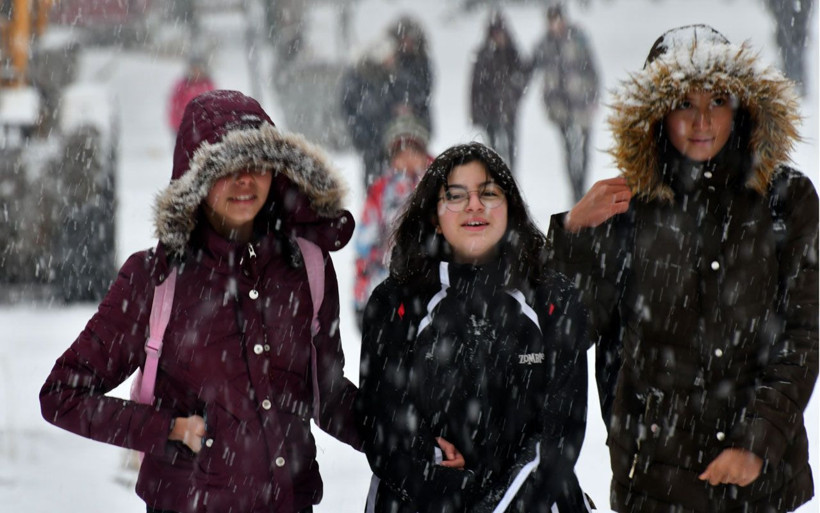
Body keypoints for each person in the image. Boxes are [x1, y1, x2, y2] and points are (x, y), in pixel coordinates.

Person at [40, 90, 362, 513]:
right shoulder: (155, 278)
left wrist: (411, 446)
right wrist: (167, 429)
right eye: (227, 167)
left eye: (258, 163)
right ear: (195, 179)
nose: (245, 180)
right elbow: (62, 393)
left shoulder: (306, 266)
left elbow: (330, 398)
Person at [546, 25, 818, 512]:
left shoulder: (785, 199)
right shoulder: (626, 207)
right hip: (653, 482)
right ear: (656, 113)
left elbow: (804, 333)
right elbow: (566, 332)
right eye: (683, 103)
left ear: (742, 105)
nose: (702, 121)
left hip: (762, 485)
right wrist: (573, 234)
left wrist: (758, 440)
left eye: (718, 100)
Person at [357, 142, 592, 512]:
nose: (474, 205)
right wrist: (437, 474)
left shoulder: (553, 300)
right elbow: (383, 431)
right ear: (434, 216)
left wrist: (497, 505)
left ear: (510, 209)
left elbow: (558, 438)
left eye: (489, 193)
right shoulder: (394, 304)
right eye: (455, 195)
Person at [353, 113, 433, 331]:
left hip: (434, 283)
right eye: (400, 152)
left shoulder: (442, 183)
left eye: (413, 151)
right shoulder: (381, 190)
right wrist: (361, 295)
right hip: (391, 284)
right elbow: (365, 246)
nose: (407, 159)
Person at [531, 4, 599, 203]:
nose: (555, 24)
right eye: (551, 21)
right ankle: (575, 192)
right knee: (569, 149)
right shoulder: (544, 44)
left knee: (584, 148)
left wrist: (593, 96)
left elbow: (592, 68)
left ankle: (582, 187)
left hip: (581, 102)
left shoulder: (578, 38)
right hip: (560, 107)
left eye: (558, 19)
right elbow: (533, 69)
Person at [470, 11, 531, 173]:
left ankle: (511, 176)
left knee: (511, 148)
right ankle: (497, 175)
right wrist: (476, 113)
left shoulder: (512, 52)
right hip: (489, 110)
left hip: (509, 110)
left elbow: (524, 75)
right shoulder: (483, 55)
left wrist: (515, 94)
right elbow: (475, 87)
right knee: (493, 150)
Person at [340, 36, 397, 188]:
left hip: (385, 137)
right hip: (369, 138)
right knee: (374, 180)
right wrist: (361, 133)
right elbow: (349, 108)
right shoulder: (360, 76)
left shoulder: (386, 75)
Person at [166, 53, 216, 134]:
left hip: (203, 127)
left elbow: (213, 105)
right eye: (194, 69)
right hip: (184, 126)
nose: (197, 72)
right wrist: (178, 123)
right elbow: (175, 106)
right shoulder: (182, 86)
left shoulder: (209, 85)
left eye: (199, 69)